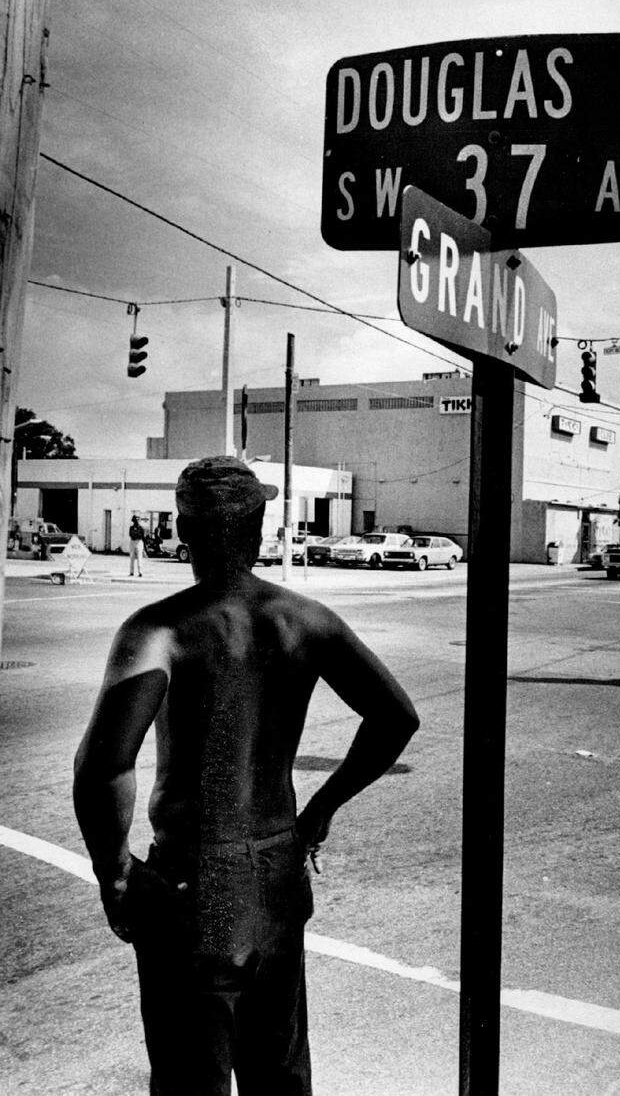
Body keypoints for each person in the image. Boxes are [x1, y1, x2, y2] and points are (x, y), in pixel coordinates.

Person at [73, 456, 419, 1095]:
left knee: (190, 1078)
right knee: (279, 1072)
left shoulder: (160, 629)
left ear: (184, 529)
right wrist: (319, 811)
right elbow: (395, 718)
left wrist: (115, 873)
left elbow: (104, 764)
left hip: (195, 879)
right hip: (277, 873)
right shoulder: (306, 619)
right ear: (260, 528)